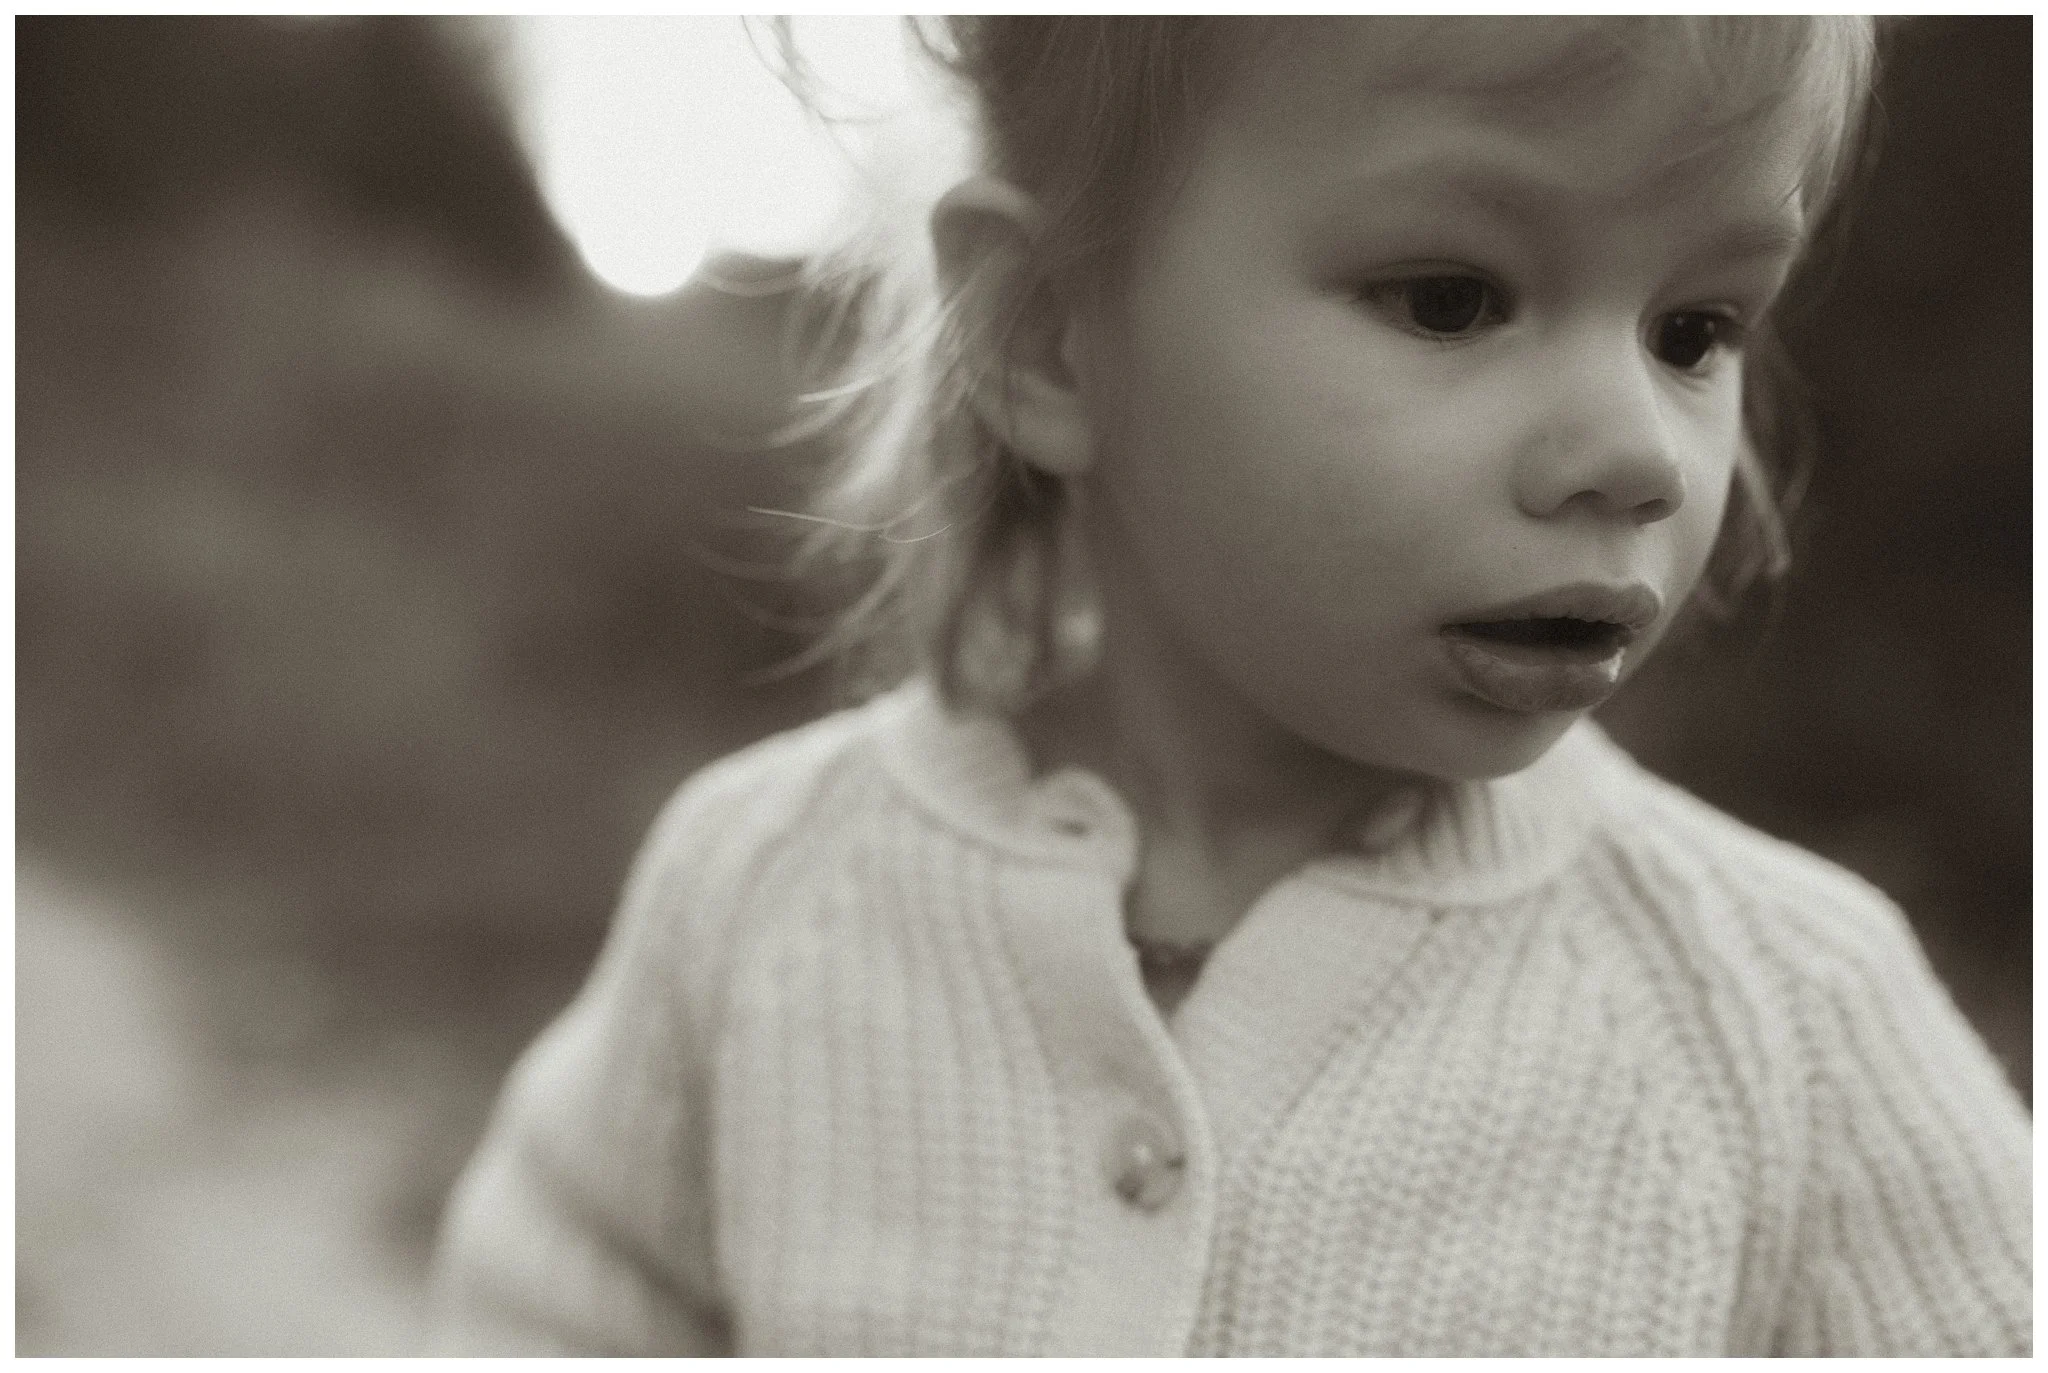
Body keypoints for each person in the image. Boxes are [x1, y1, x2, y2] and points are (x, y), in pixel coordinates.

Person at [429, 17, 2030, 1356]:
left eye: (1697, 328)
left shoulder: (1794, 1027)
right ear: (1049, 333)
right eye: (1452, 298)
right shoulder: (766, 895)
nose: (1636, 452)